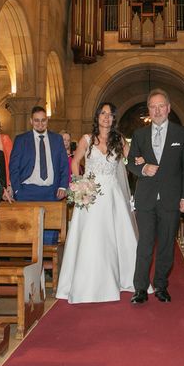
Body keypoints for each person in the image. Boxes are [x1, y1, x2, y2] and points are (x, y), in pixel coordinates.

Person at [56, 102, 138, 303]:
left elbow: (133, 160)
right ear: (97, 117)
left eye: (110, 114)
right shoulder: (87, 139)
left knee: (114, 236)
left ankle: (121, 278)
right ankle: (87, 282)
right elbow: (75, 162)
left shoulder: (118, 140)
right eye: (103, 113)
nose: (106, 117)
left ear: (113, 119)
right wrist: (80, 184)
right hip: (91, 193)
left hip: (113, 195)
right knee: (91, 237)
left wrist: (145, 163)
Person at [127, 88, 184, 304]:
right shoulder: (139, 135)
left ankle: (161, 286)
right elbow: (130, 163)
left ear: (168, 108)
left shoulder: (182, 133)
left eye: (161, 106)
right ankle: (140, 288)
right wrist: (143, 168)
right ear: (148, 110)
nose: (157, 110)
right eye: (153, 107)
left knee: (166, 245)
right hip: (146, 199)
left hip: (171, 199)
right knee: (145, 244)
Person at [9, 106, 70, 201]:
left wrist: (63, 186)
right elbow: (13, 167)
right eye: (36, 120)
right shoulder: (21, 140)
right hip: (26, 192)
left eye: (43, 120)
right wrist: (17, 190)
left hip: (52, 192)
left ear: (47, 120)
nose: (40, 124)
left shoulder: (57, 139)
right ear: (31, 121)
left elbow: (64, 165)